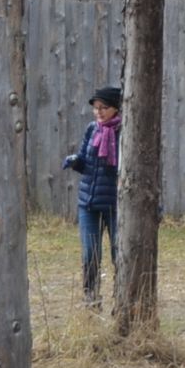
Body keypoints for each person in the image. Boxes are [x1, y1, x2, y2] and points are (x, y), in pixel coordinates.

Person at [62, 85, 121, 308]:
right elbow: (86, 163)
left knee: (119, 253)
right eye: (95, 108)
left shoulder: (125, 132)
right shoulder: (92, 129)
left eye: (104, 108)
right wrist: (75, 161)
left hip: (115, 205)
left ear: (116, 108)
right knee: (90, 254)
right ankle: (91, 298)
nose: (99, 113)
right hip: (88, 202)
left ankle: (122, 297)